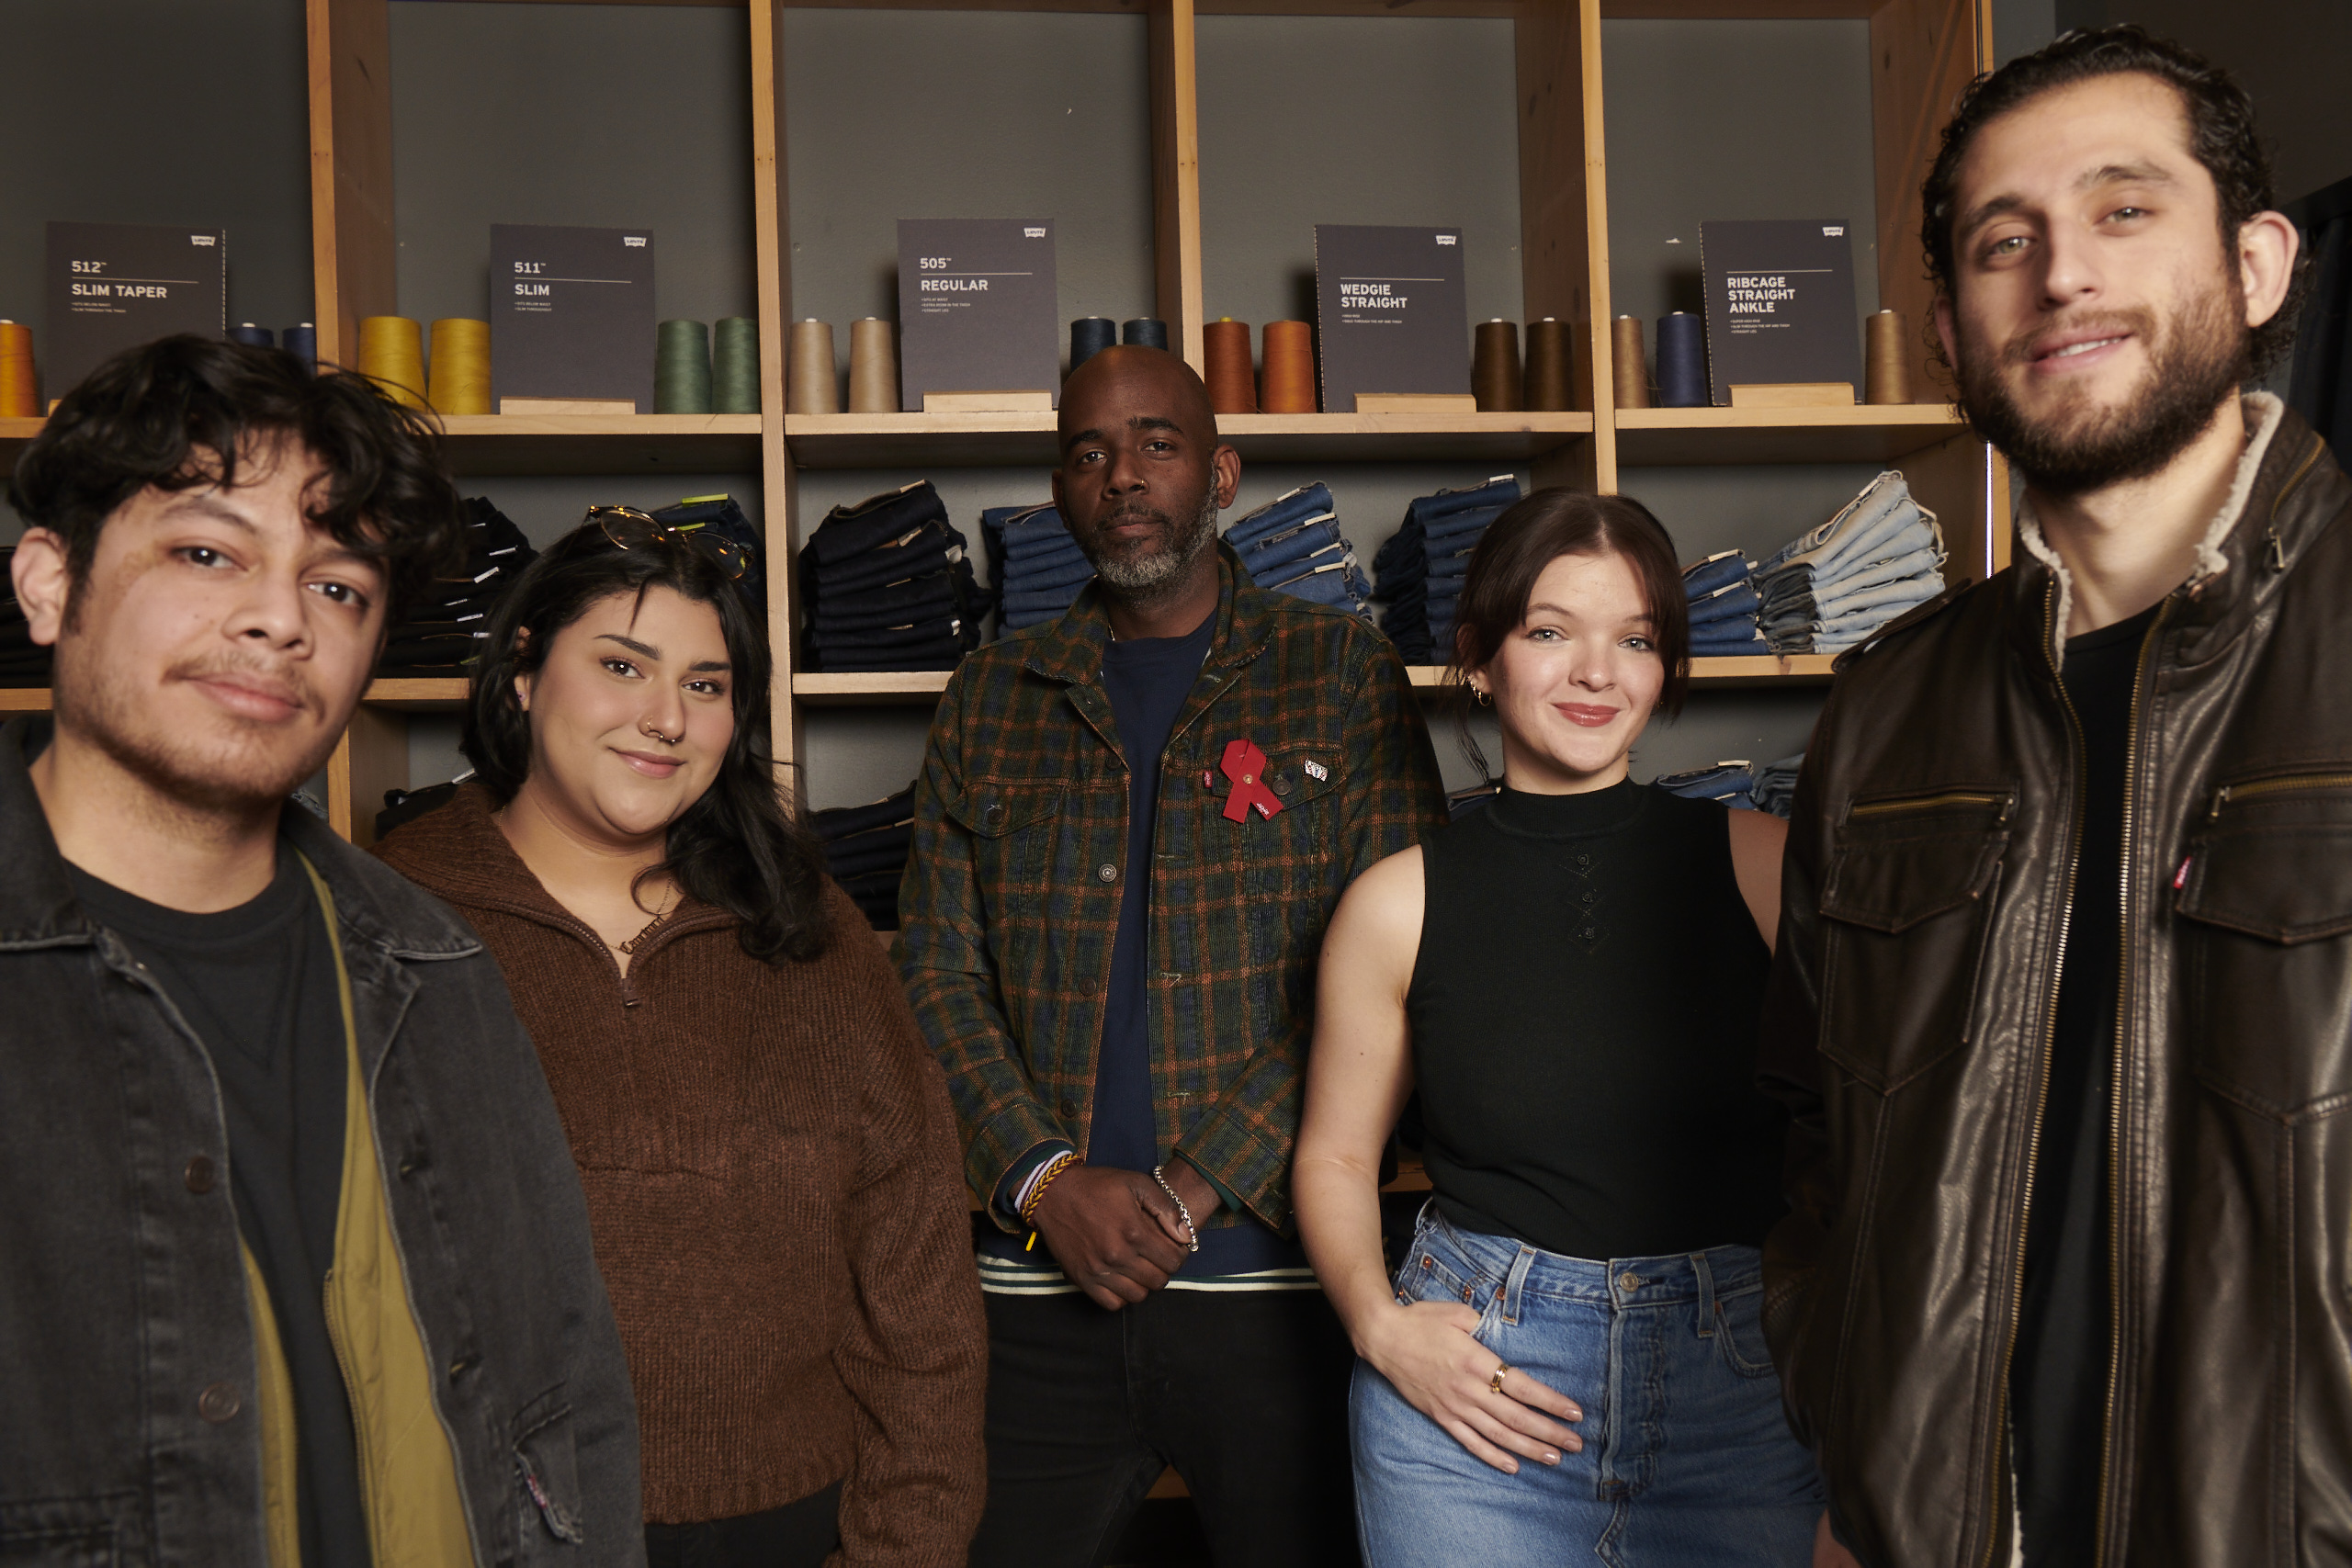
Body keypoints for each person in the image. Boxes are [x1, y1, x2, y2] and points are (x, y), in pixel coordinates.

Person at [1757, 26, 2333, 1567]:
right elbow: (1818, 1141)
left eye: (2125, 208)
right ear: (1949, 328)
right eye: (2004, 243)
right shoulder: (1886, 710)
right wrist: (1863, 1454)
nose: (2062, 274)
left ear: (2262, 264)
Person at [0, 334, 644, 1565]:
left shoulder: (438, 968)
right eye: (206, 551)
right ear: (48, 581)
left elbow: (569, 1398)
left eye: (339, 586)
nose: (278, 618)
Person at [896, 344, 1448, 1566]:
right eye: (1088, 452)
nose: (1123, 475)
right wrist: (1046, 1180)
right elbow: (932, 972)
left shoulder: (1340, 676)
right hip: (1033, 1292)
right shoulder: (990, 696)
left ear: (1223, 472)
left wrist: (1190, 1189)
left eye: (1157, 442)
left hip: (1280, 1286)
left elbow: (1399, 969)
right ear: (1058, 494)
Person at [373, 511, 988, 1568]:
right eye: (623, 665)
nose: (665, 718)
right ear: (524, 672)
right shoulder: (390, 921)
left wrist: (904, 1547)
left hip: (800, 1527)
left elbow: (919, 1277)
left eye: (704, 686)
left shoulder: (811, 929)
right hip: (480, 1530)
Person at [1295, 490, 1822, 1565]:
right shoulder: (1395, 902)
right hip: (1475, 1396)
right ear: (1479, 656)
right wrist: (1379, 1327)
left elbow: (1869, 1141)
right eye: (1550, 632)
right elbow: (1337, 1155)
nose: (1597, 673)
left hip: (1745, 1398)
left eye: (1634, 639)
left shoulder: (1768, 867)